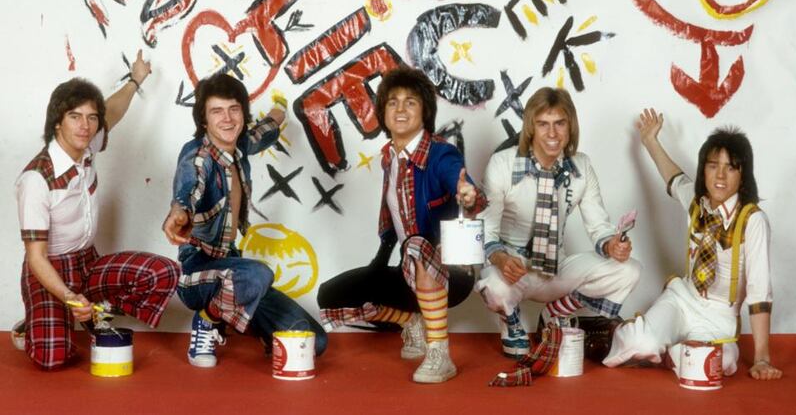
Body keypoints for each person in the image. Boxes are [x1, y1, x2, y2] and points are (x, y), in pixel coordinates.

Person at [316, 66, 486, 383]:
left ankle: (440, 353)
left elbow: (463, 184)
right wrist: (375, 270)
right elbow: (394, 225)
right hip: (409, 270)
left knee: (419, 245)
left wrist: (467, 194)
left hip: (451, 273)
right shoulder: (390, 158)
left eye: (410, 101)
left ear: (425, 110)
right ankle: (411, 323)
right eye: (393, 102)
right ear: (382, 112)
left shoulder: (440, 154)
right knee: (331, 295)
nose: (401, 109)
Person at [14, 51, 180, 369]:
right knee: (53, 358)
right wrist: (70, 298)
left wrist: (136, 79)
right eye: (75, 117)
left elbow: (113, 110)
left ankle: (95, 312)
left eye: (91, 118)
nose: (86, 126)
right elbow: (36, 257)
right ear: (57, 123)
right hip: (49, 268)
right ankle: (35, 322)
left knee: (163, 273)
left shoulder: (87, 144)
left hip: (87, 262)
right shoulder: (36, 178)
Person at [603, 108, 782, 381]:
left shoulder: (752, 220)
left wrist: (761, 358)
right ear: (704, 170)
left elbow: (759, 294)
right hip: (683, 299)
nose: (720, 176)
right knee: (642, 344)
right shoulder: (696, 201)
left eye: (730, 167)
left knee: (720, 363)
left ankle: (675, 349)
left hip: (719, 316)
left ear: (743, 174)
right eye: (713, 166)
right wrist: (650, 140)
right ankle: (633, 337)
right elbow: (674, 178)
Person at [162, 73, 327, 368]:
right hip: (196, 273)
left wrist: (279, 109)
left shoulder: (239, 147)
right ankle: (205, 322)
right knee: (257, 275)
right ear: (204, 121)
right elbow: (189, 185)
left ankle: (241, 320)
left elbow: (264, 130)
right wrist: (179, 211)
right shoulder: (199, 156)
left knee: (313, 340)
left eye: (234, 110)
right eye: (216, 111)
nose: (227, 119)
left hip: (231, 267)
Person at [475, 87, 641, 359]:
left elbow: (598, 225)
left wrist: (612, 244)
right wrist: (503, 259)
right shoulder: (502, 164)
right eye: (543, 124)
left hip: (555, 267)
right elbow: (486, 230)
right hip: (512, 269)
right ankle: (510, 321)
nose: (552, 134)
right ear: (530, 128)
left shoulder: (581, 167)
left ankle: (554, 313)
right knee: (492, 284)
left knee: (629, 270)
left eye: (559, 123)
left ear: (570, 126)